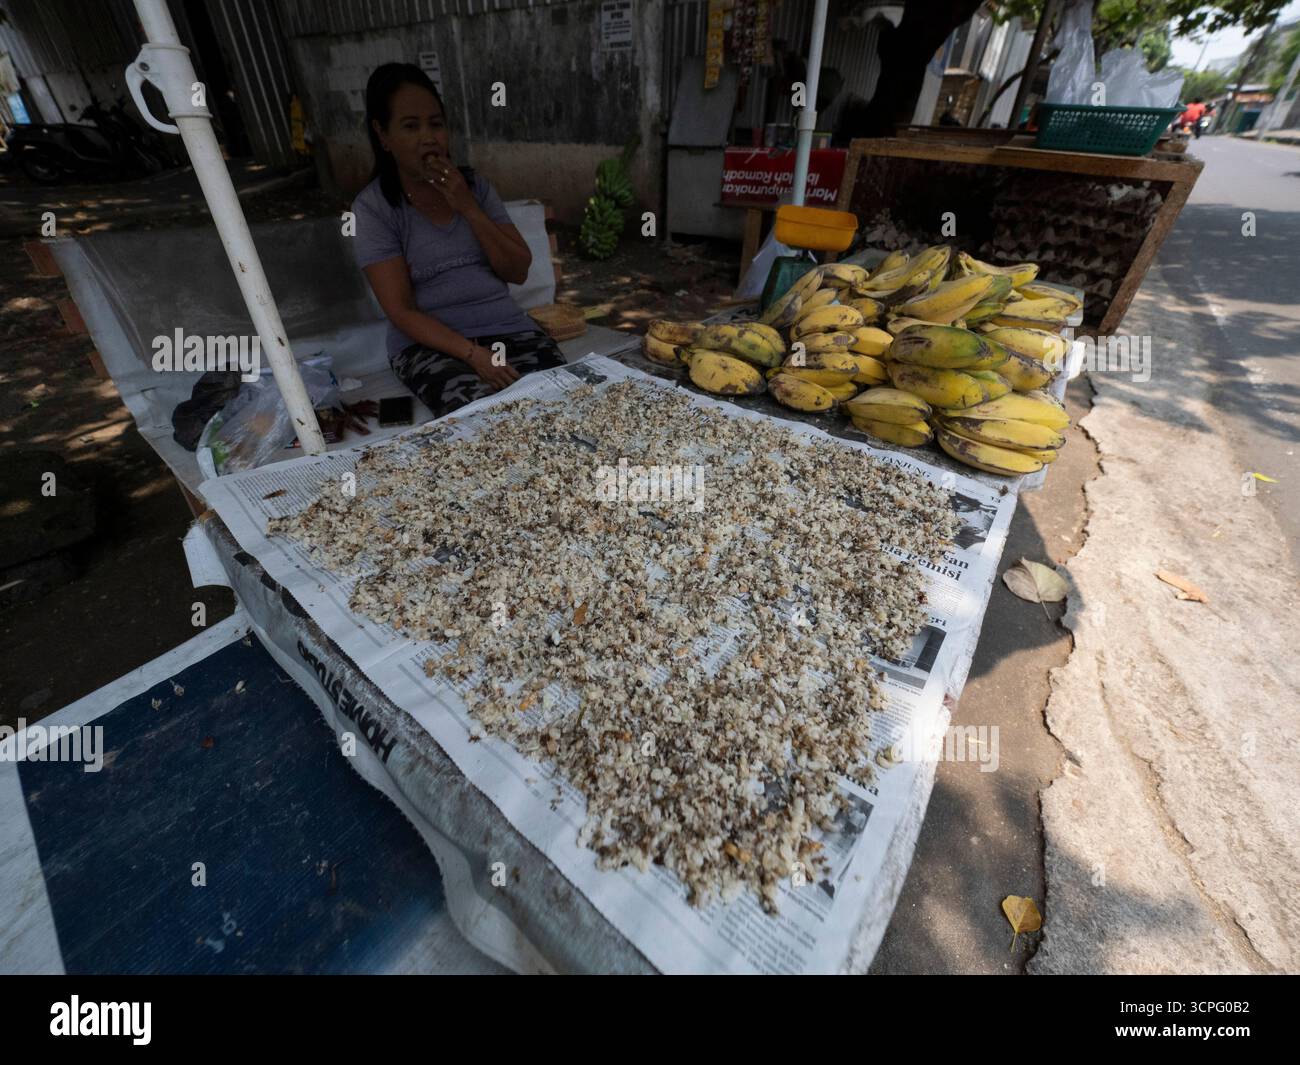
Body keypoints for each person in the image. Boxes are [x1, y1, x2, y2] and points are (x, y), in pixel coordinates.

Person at [351, 63, 565, 419]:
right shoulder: (374, 209)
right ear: (382, 135)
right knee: (480, 418)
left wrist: (469, 208)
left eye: (436, 124)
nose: (428, 137)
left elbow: (518, 270)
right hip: (430, 347)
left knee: (561, 399)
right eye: (410, 126)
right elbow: (400, 310)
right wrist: (472, 355)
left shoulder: (476, 188)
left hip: (509, 329)